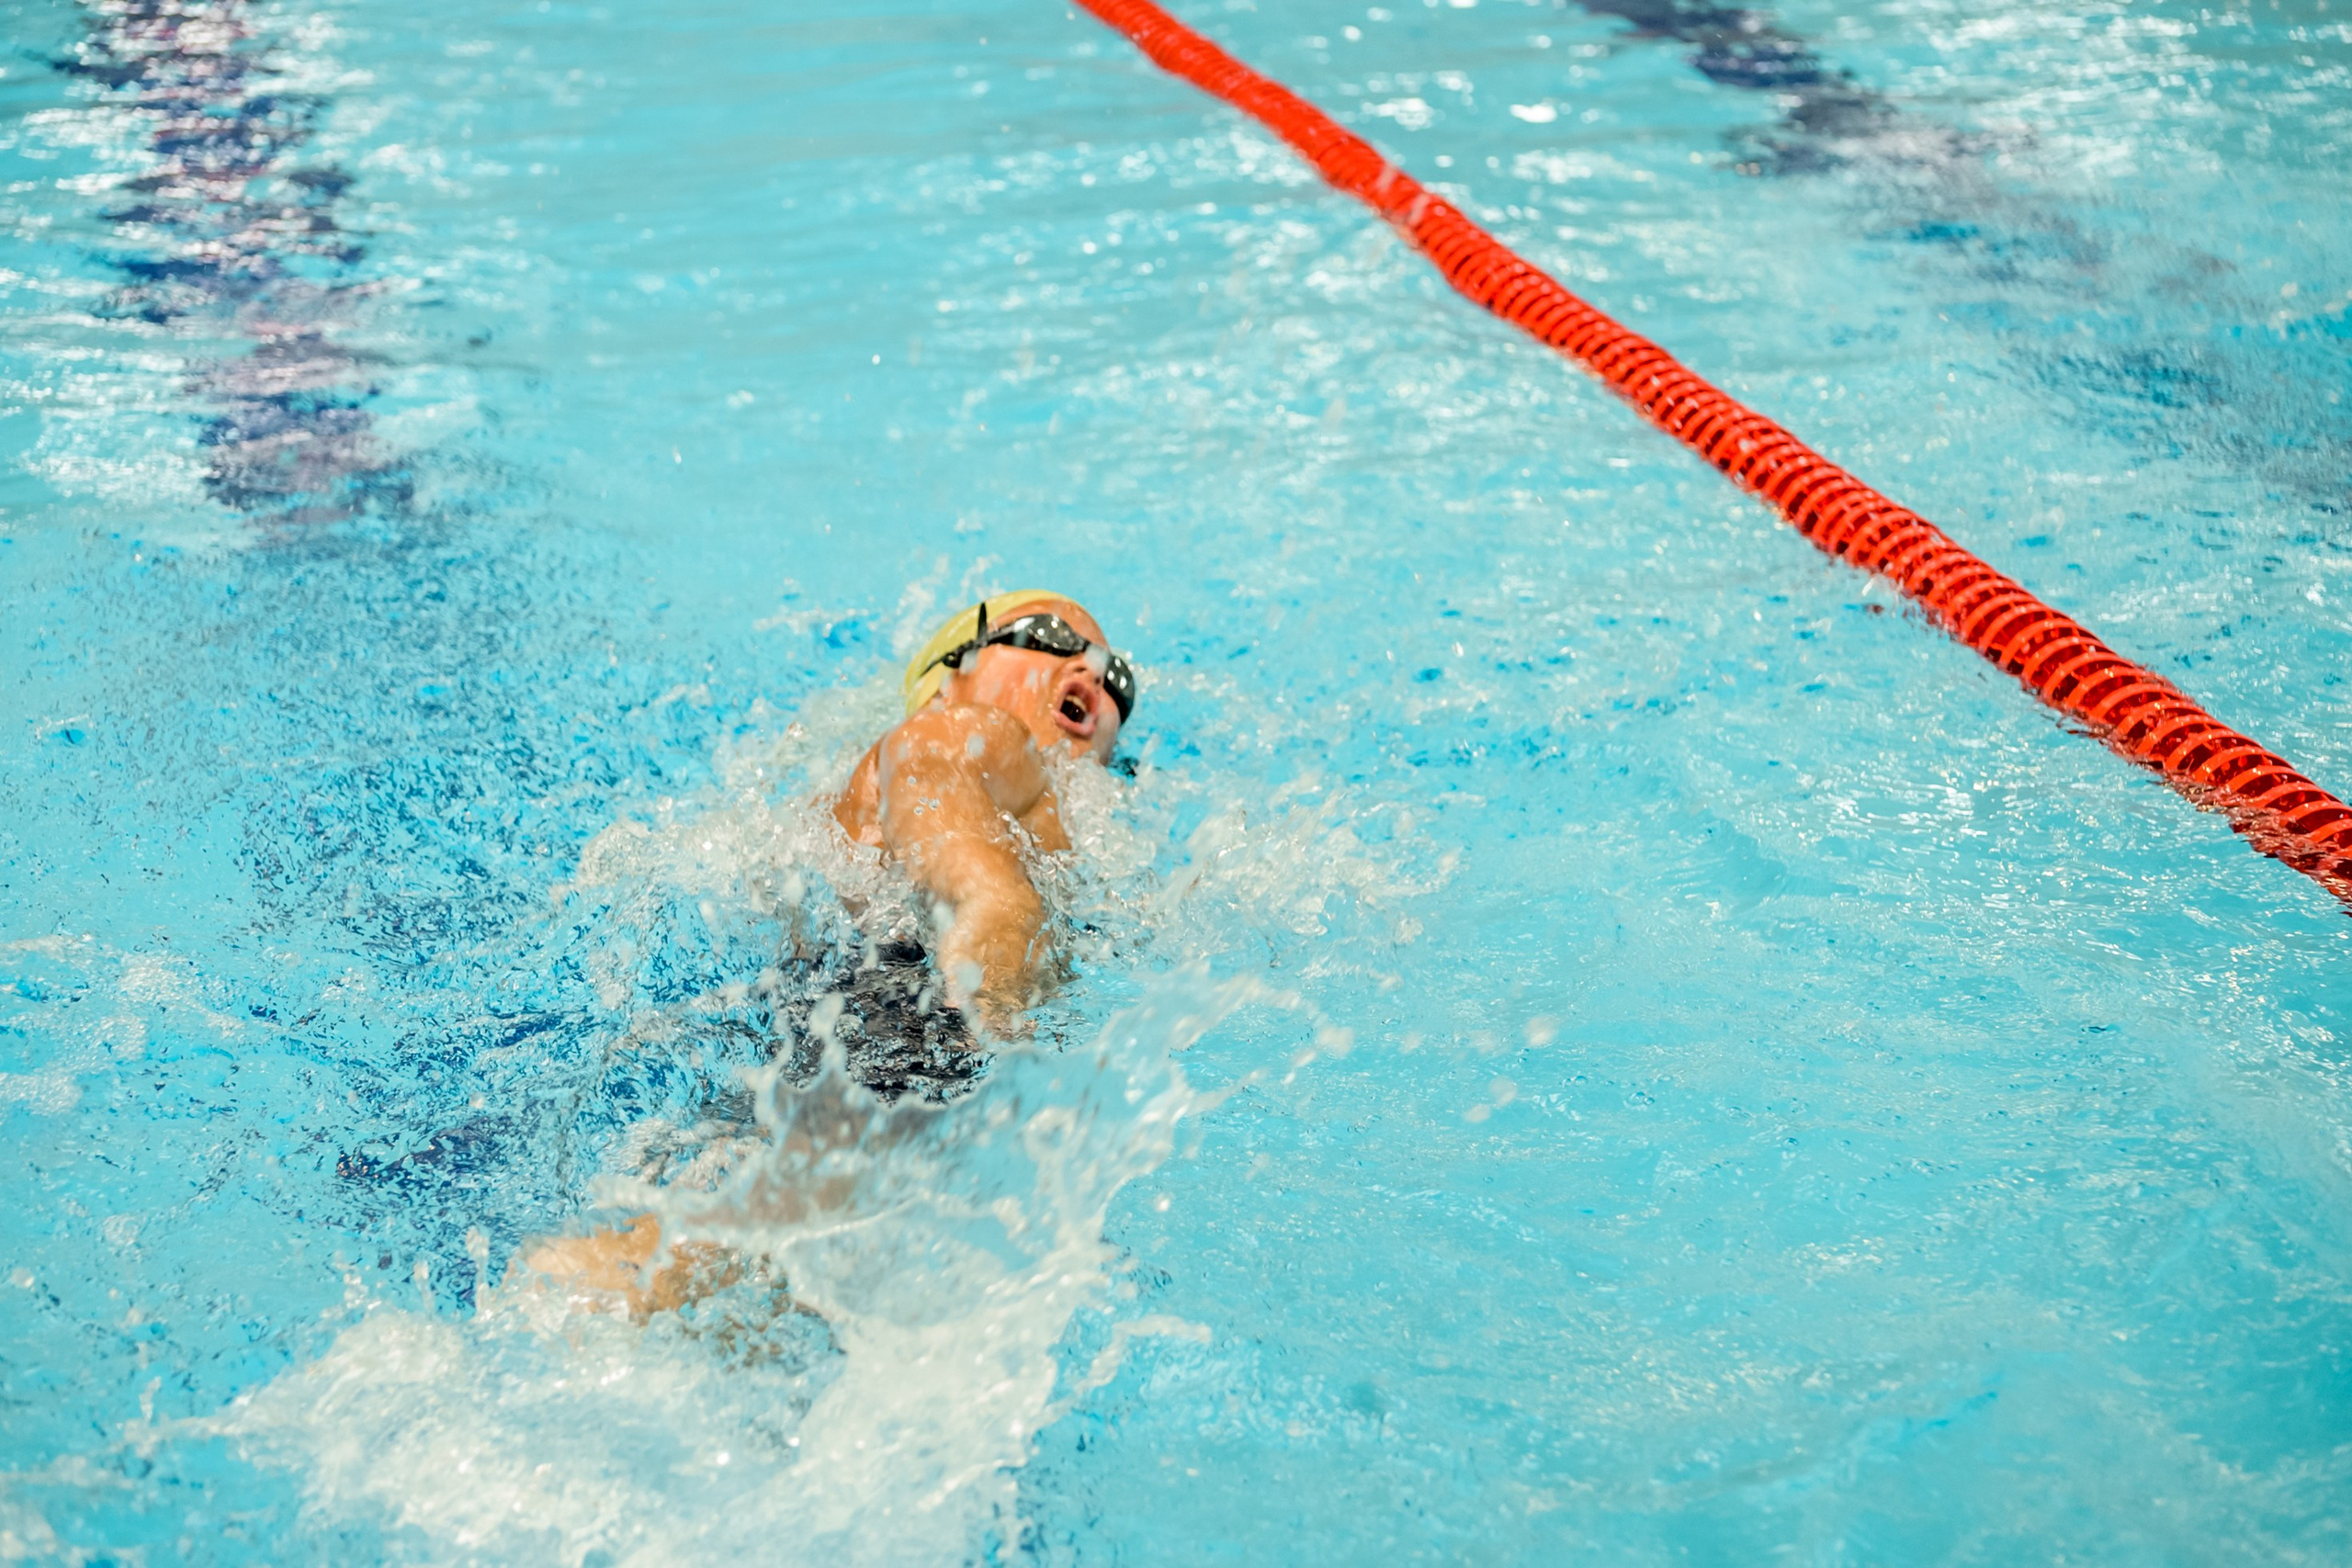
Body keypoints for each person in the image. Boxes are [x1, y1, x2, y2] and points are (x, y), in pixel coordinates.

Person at [517, 590, 1138, 1316]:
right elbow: (940, 784)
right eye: (1049, 634)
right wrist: (997, 913)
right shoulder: (979, 732)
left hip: (841, 1051)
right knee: (672, 1273)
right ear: (953, 672)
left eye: (1118, 676)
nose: (1090, 671)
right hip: (916, 1031)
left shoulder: (1068, 824)